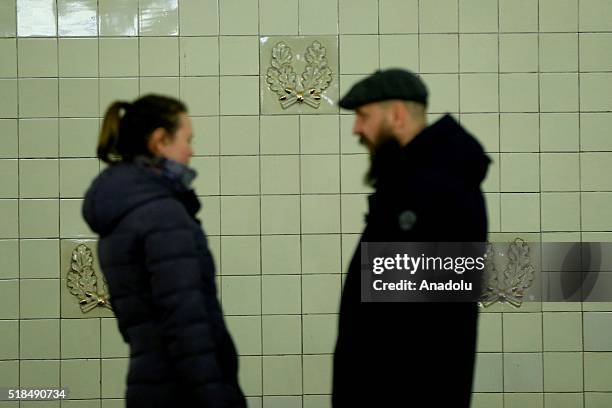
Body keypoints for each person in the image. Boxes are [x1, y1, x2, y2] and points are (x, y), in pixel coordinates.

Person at [332, 69, 490, 407]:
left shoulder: (435, 186)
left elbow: (418, 325)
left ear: (398, 115)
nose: (357, 128)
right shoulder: (418, 180)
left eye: (363, 116)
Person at [82, 95, 246, 408]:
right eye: (187, 140)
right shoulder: (162, 215)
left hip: (150, 383)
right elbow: (186, 324)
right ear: (159, 141)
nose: (191, 151)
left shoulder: (122, 211)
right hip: (183, 392)